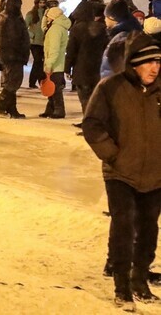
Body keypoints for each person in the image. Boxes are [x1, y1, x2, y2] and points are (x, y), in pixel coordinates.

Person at [83, 34, 161, 305]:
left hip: (154, 173)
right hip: (120, 173)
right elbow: (92, 124)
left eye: (158, 61)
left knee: (149, 230)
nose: (155, 67)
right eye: (149, 62)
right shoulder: (110, 88)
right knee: (124, 227)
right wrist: (112, 155)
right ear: (134, 64)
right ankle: (121, 287)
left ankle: (140, 280)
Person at [66, 1, 111, 115]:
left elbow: (71, 51)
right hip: (98, 68)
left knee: (85, 98)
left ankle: (89, 124)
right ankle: (94, 123)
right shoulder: (101, 28)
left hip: (82, 69)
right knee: (95, 98)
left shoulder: (76, 29)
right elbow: (107, 48)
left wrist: (67, 67)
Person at [0, 0, 28, 118]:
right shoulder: (11, 19)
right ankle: (0, 105)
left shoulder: (6, 16)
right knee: (13, 83)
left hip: (9, 54)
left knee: (12, 82)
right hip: (13, 55)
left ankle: (12, 109)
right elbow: (15, 39)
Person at [40, 6, 71, 118]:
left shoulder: (55, 30)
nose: (47, 19)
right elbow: (43, 27)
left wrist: (49, 64)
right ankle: (50, 109)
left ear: (52, 17)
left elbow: (54, 49)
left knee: (55, 88)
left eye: (48, 17)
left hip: (55, 64)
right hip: (58, 63)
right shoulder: (59, 27)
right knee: (53, 87)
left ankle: (59, 110)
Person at [101, 0, 143, 79]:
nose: (105, 19)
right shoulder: (132, 30)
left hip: (119, 84)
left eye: (106, 17)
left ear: (112, 17)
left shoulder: (121, 37)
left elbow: (113, 67)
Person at [26, 0, 48, 88]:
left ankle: (40, 81)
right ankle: (33, 81)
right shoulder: (31, 14)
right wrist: (31, 35)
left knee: (41, 62)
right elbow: (25, 26)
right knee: (37, 61)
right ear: (36, 3)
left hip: (44, 42)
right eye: (40, 2)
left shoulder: (47, 14)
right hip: (34, 42)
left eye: (43, 2)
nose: (42, 4)